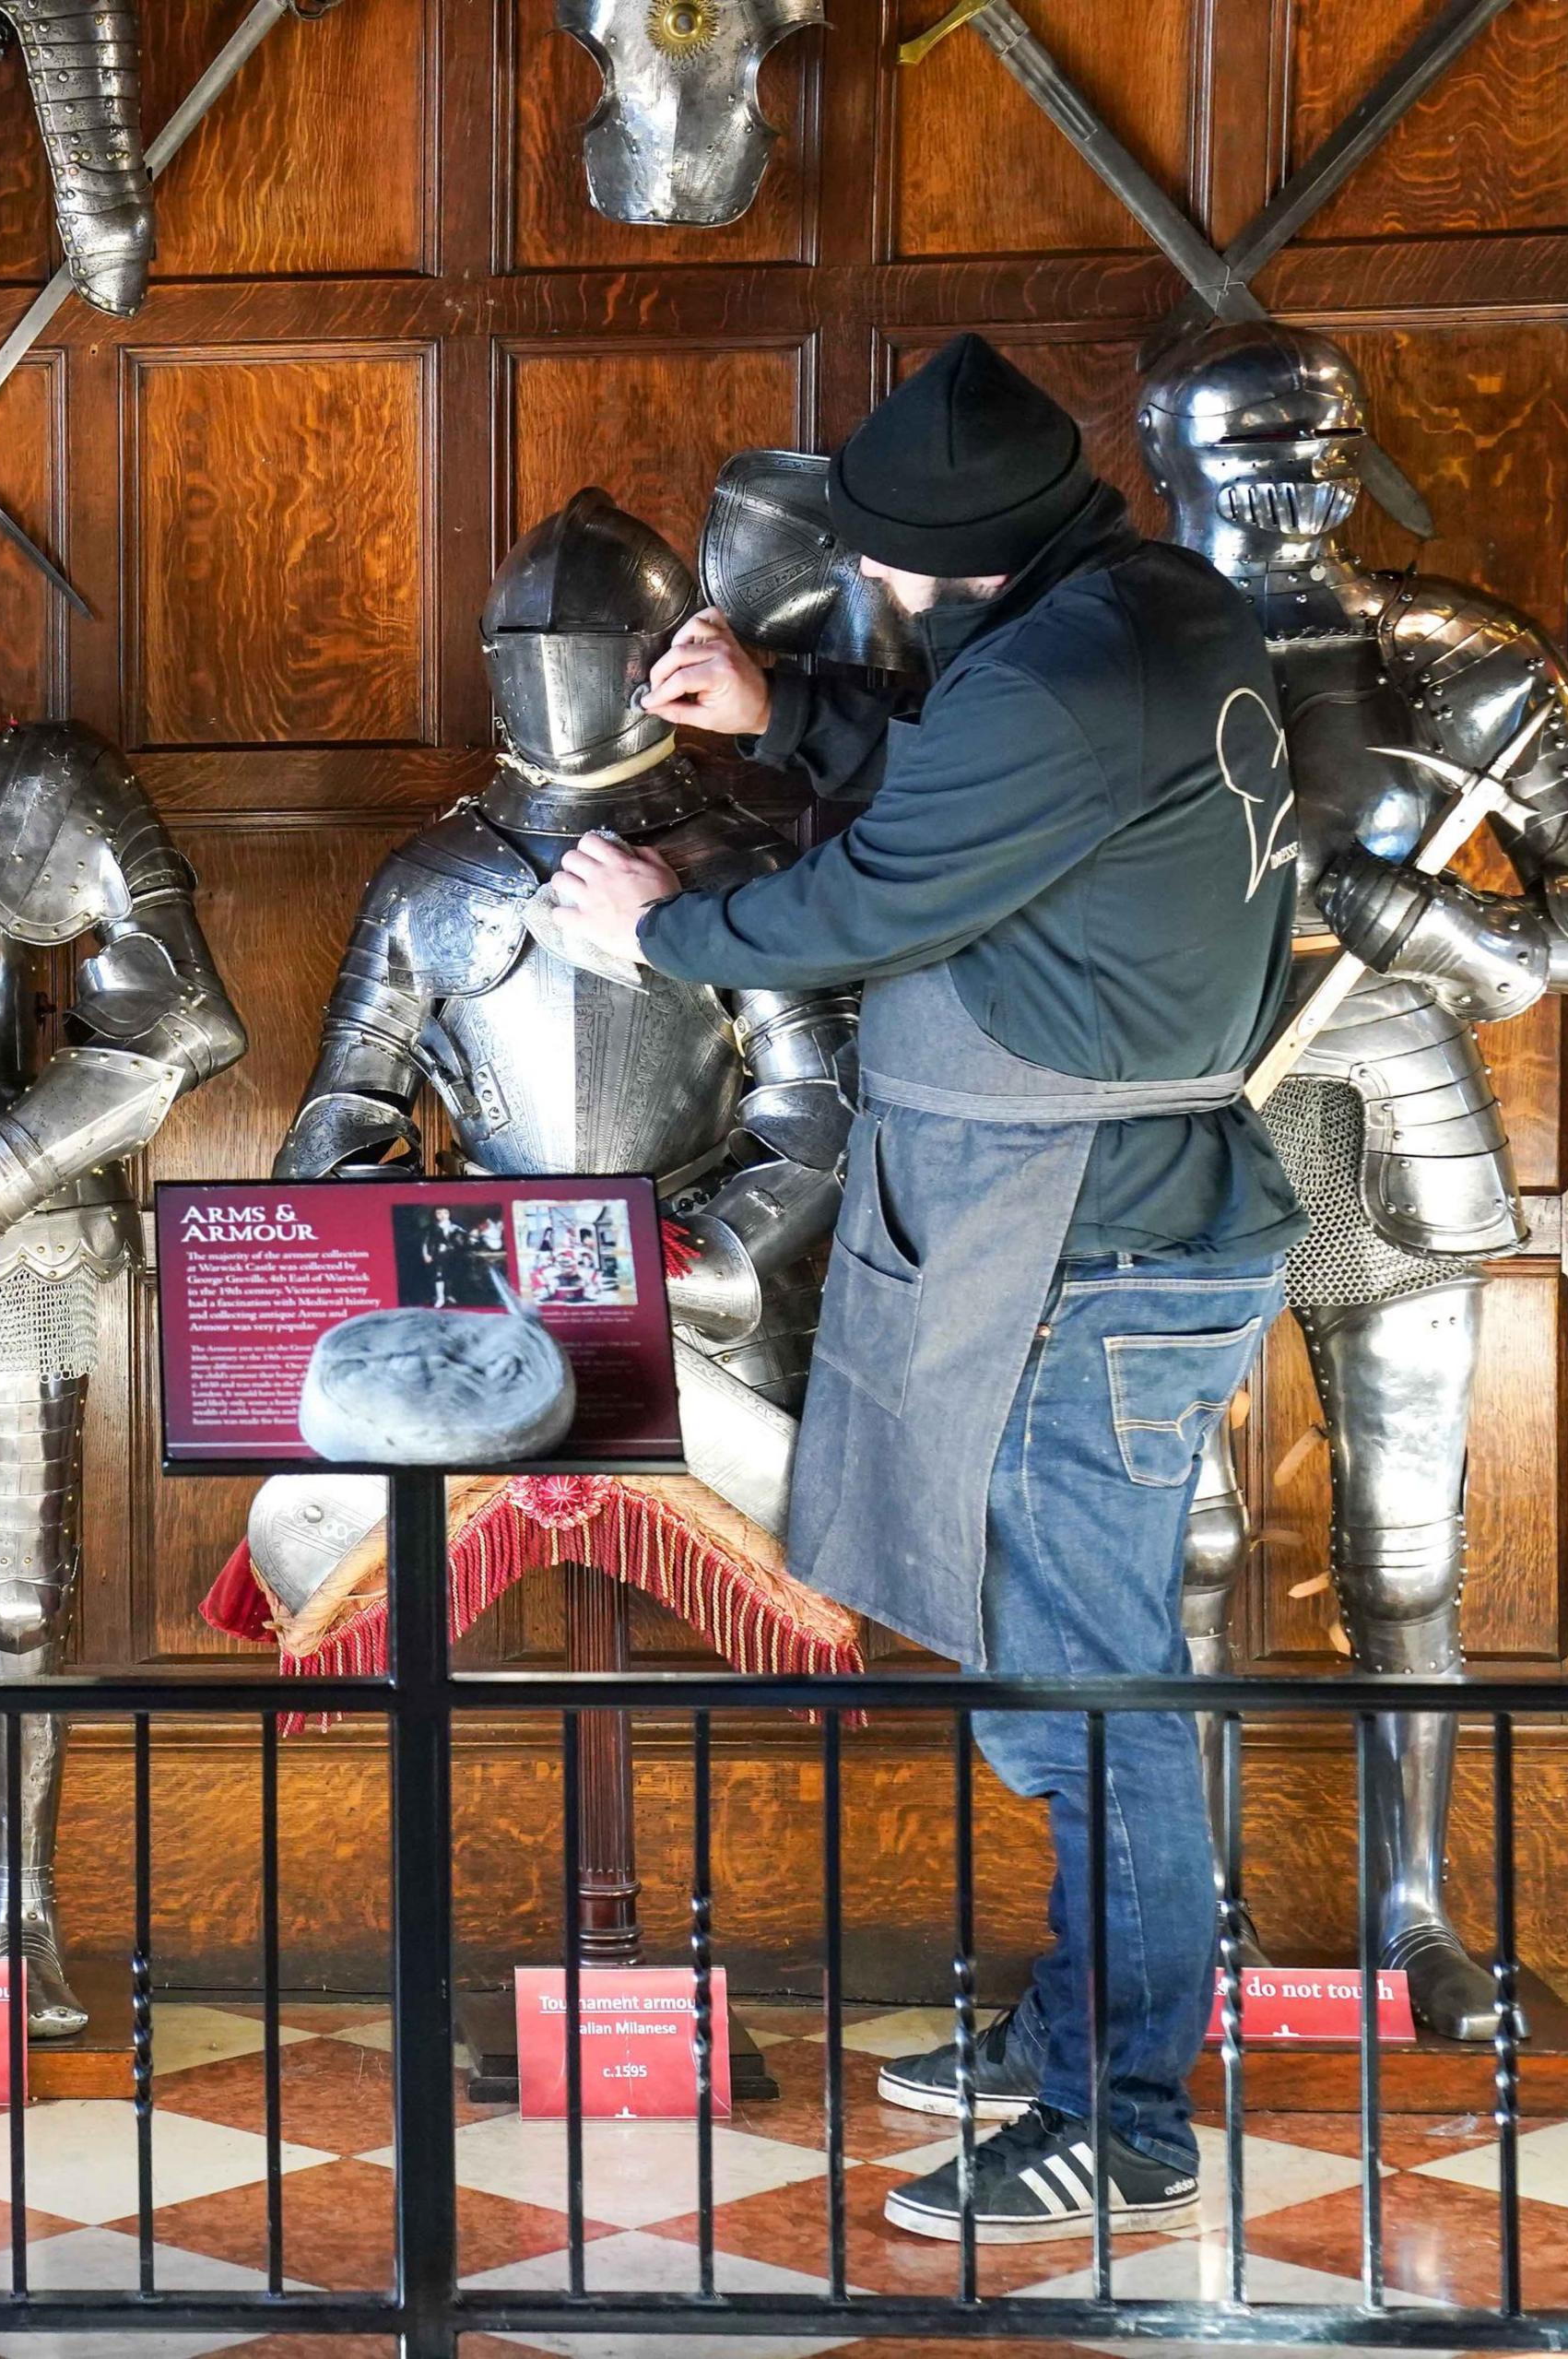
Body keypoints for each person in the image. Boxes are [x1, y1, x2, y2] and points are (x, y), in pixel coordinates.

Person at [548, 333, 1303, 2243]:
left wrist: (668, 933)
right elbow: (975, 778)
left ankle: (1117, 2112)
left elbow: (878, 895)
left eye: (873, 580)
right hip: (1093, 1227)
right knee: (1057, 1680)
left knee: (1090, 1695)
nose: (865, 599)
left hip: (1088, 1247)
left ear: (943, 571)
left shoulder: (1050, 680)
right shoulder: (1139, 612)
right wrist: (784, 707)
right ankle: (1078, 2026)